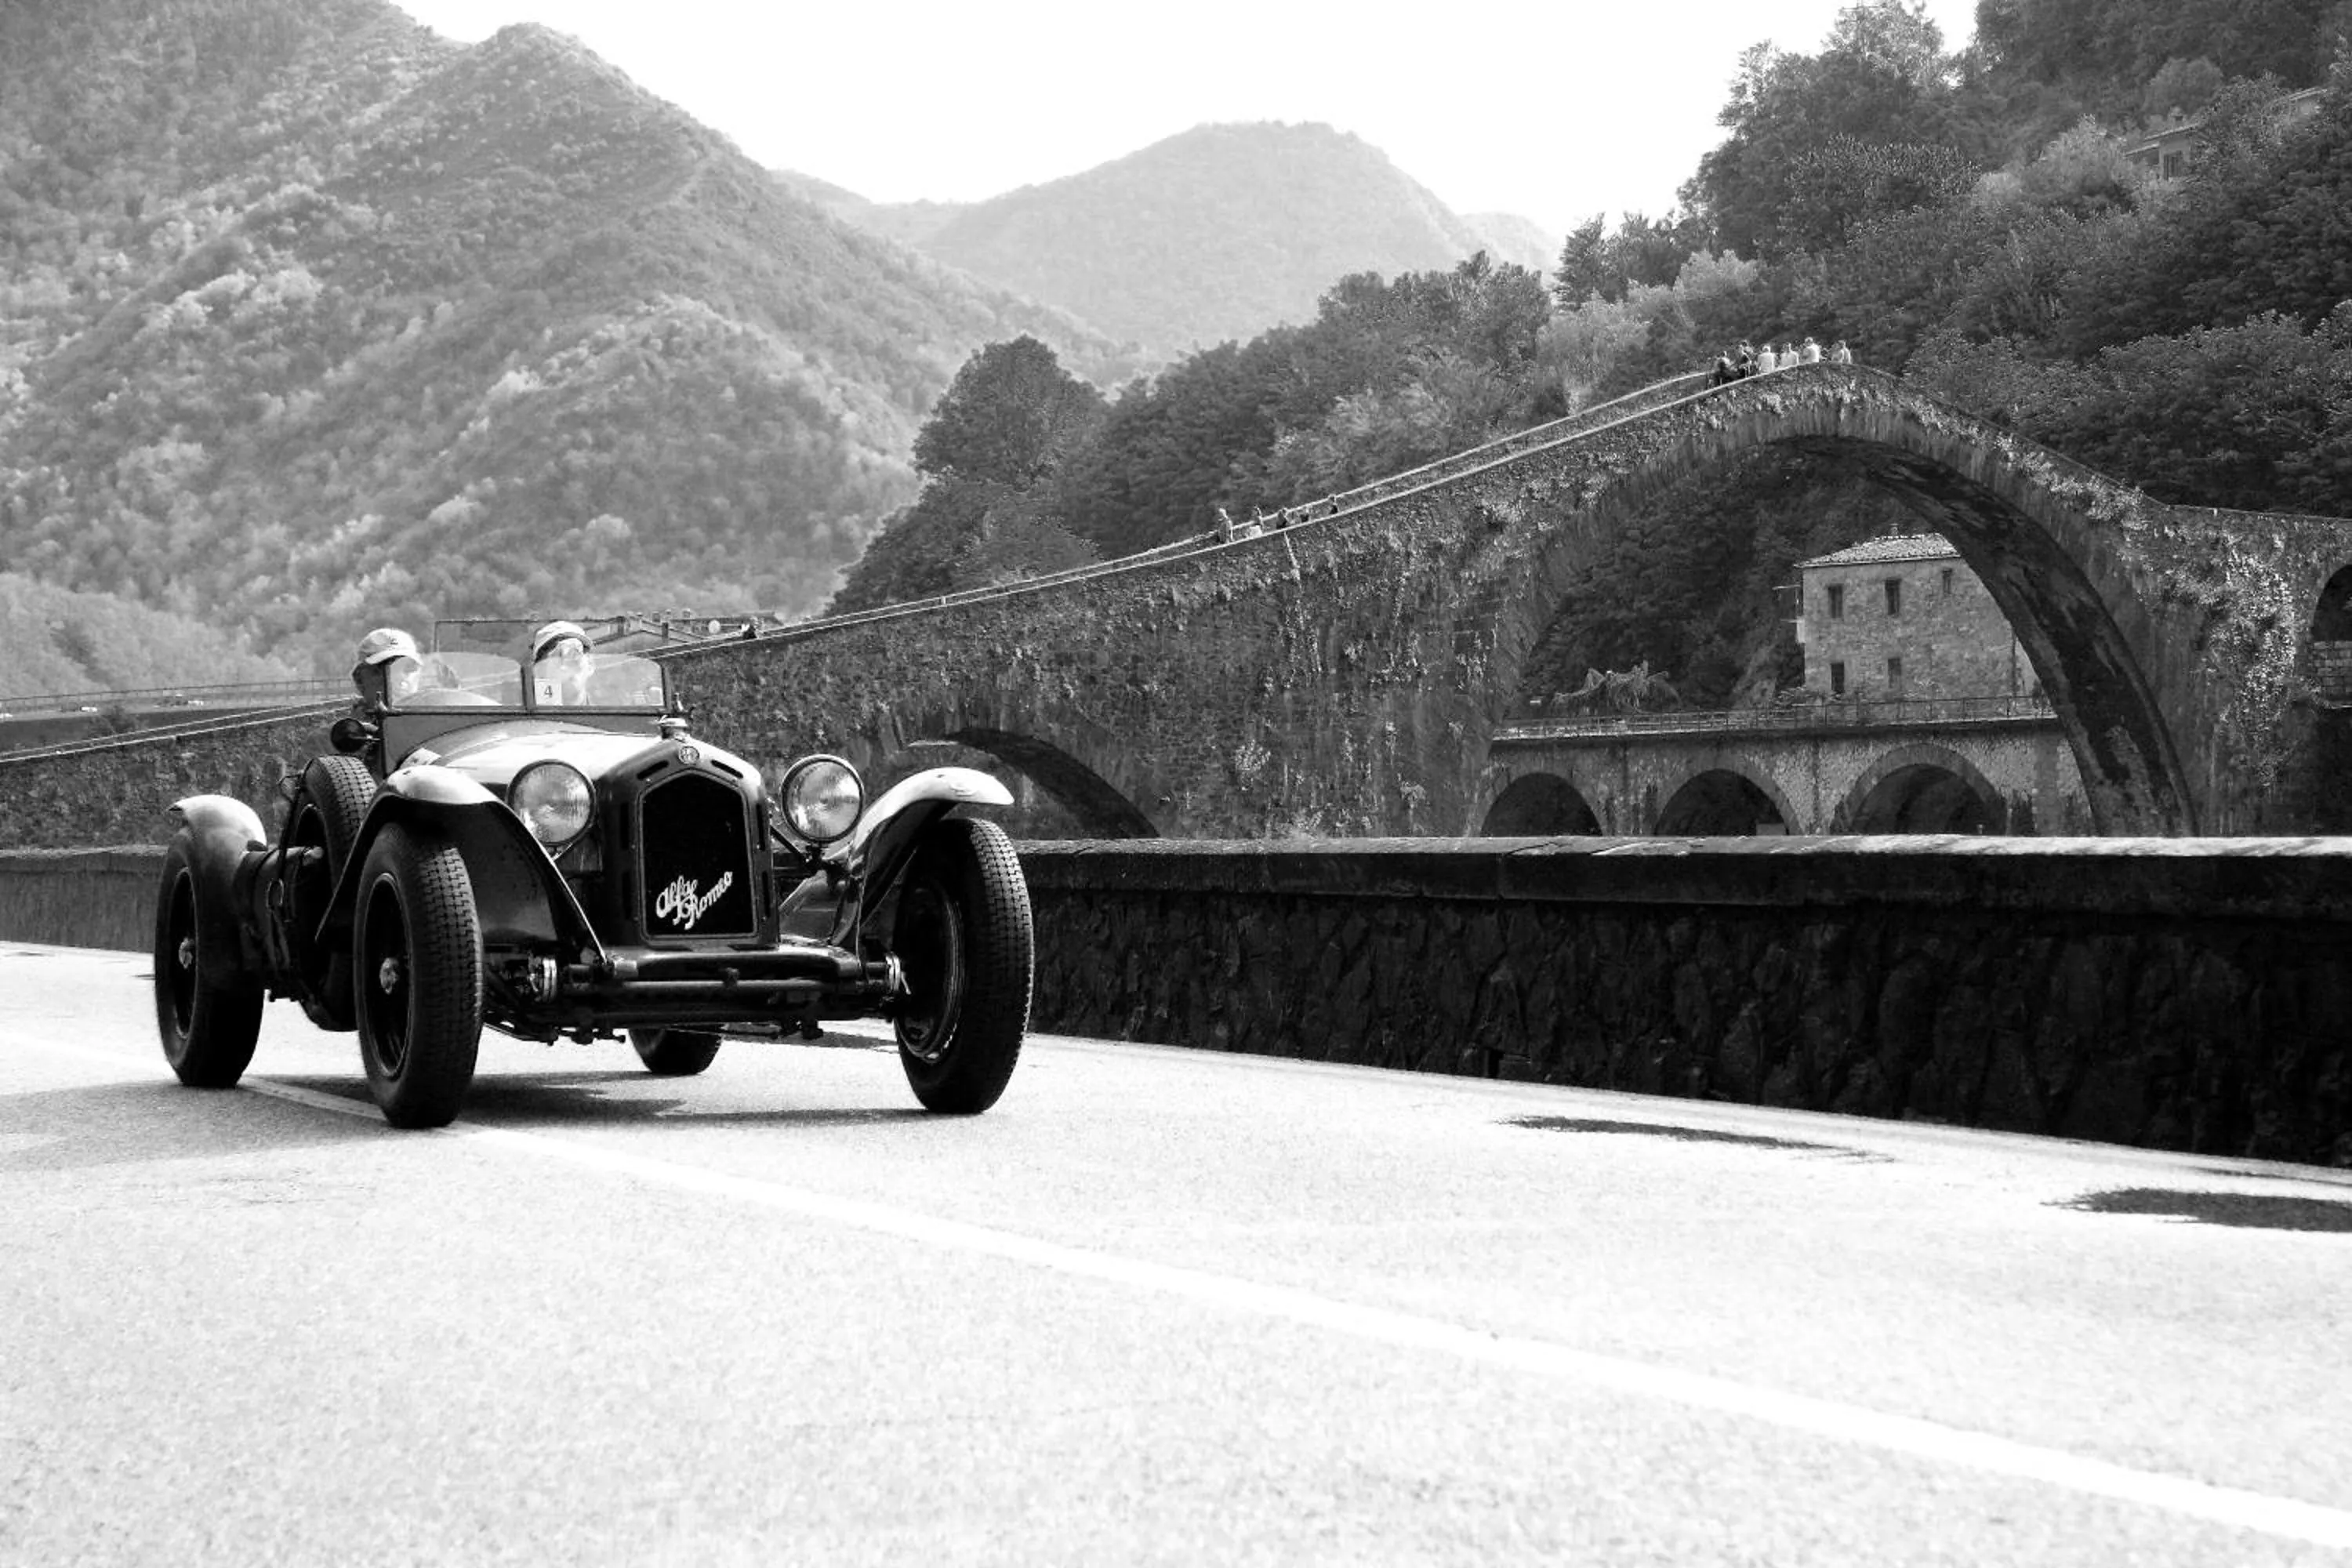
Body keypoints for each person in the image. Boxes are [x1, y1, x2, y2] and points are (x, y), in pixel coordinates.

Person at [350, 626, 422, 713]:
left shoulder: (436, 714)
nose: (401, 678)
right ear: (360, 679)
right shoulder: (348, 724)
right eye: (381, 670)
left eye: (409, 669)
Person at [531, 619, 594, 706]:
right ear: (539, 672)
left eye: (575, 653)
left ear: (590, 665)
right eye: (556, 656)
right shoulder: (526, 718)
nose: (565, 666)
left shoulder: (612, 713)